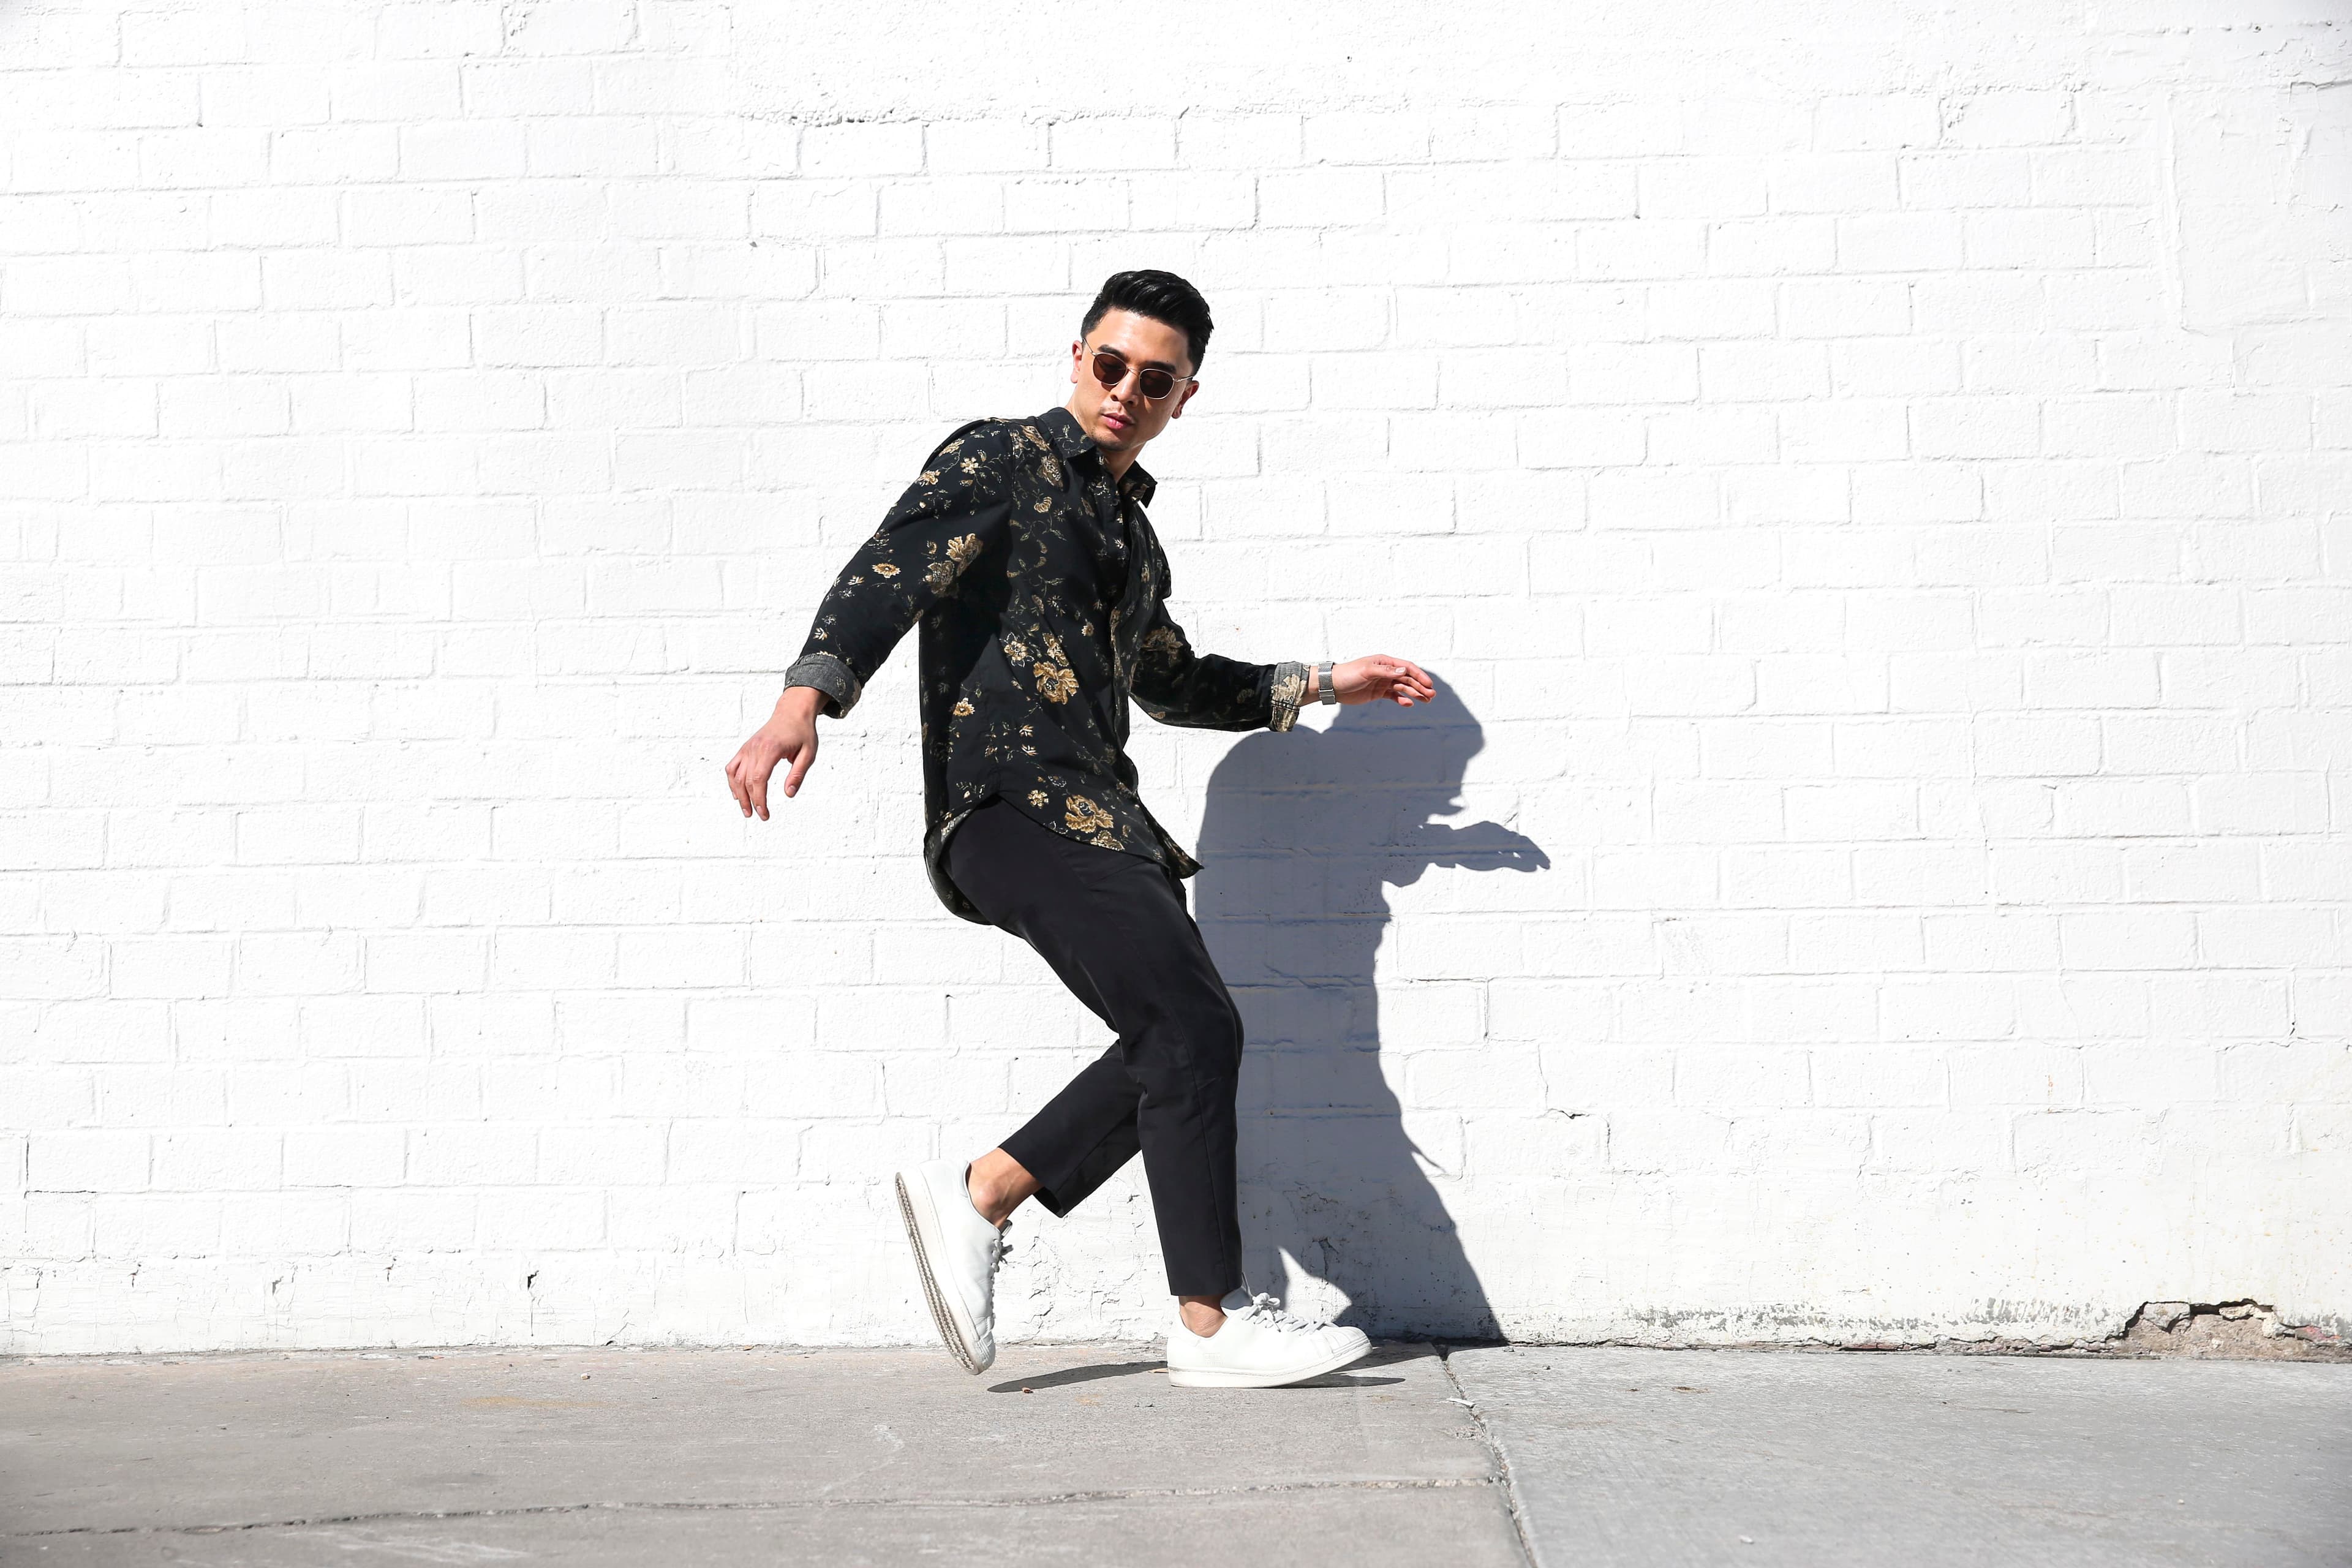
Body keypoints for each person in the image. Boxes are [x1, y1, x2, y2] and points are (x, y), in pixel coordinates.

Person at [724, 270, 1437, 1389]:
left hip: (1109, 823)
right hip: (1008, 807)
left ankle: (991, 1196)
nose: (1124, 393)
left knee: (1190, 1036)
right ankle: (1206, 1325)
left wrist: (1323, 682)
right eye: (1110, 367)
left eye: (1154, 381)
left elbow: (1176, 682)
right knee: (1194, 1028)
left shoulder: (1135, 542)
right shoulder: (999, 458)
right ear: (1077, 357)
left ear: (1183, 397)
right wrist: (805, 698)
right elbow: (886, 570)